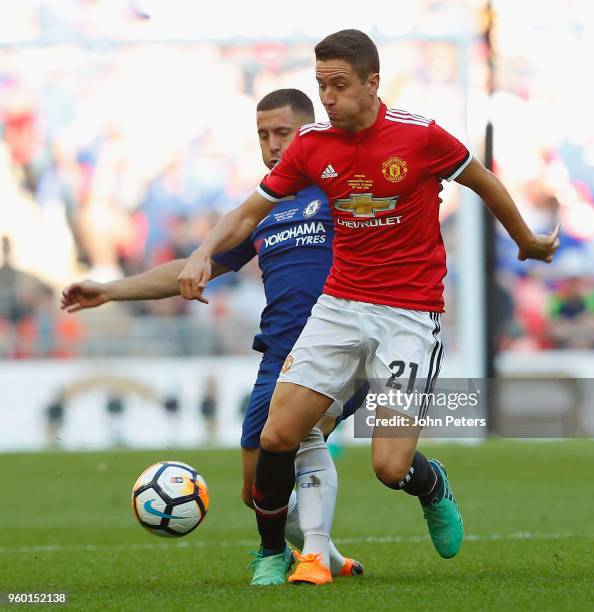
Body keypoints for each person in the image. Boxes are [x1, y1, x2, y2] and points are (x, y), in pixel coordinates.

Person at [177, 29, 560, 586]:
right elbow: (247, 210)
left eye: (338, 85)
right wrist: (202, 252)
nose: (327, 98)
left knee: (388, 467)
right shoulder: (312, 144)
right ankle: (270, 555)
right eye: (320, 85)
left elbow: (483, 180)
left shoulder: (420, 136)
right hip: (338, 306)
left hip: (408, 315)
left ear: (372, 83)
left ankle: (430, 484)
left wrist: (524, 238)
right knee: (276, 436)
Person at [61, 88, 366, 584]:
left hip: (340, 348)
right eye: (263, 135)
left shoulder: (342, 192)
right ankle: (327, 556)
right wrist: (110, 290)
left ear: (309, 133)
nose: (271, 146)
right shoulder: (261, 209)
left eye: (282, 134)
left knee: (298, 439)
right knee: (259, 490)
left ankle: (300, 557)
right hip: (279, 355)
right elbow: (192, 269)